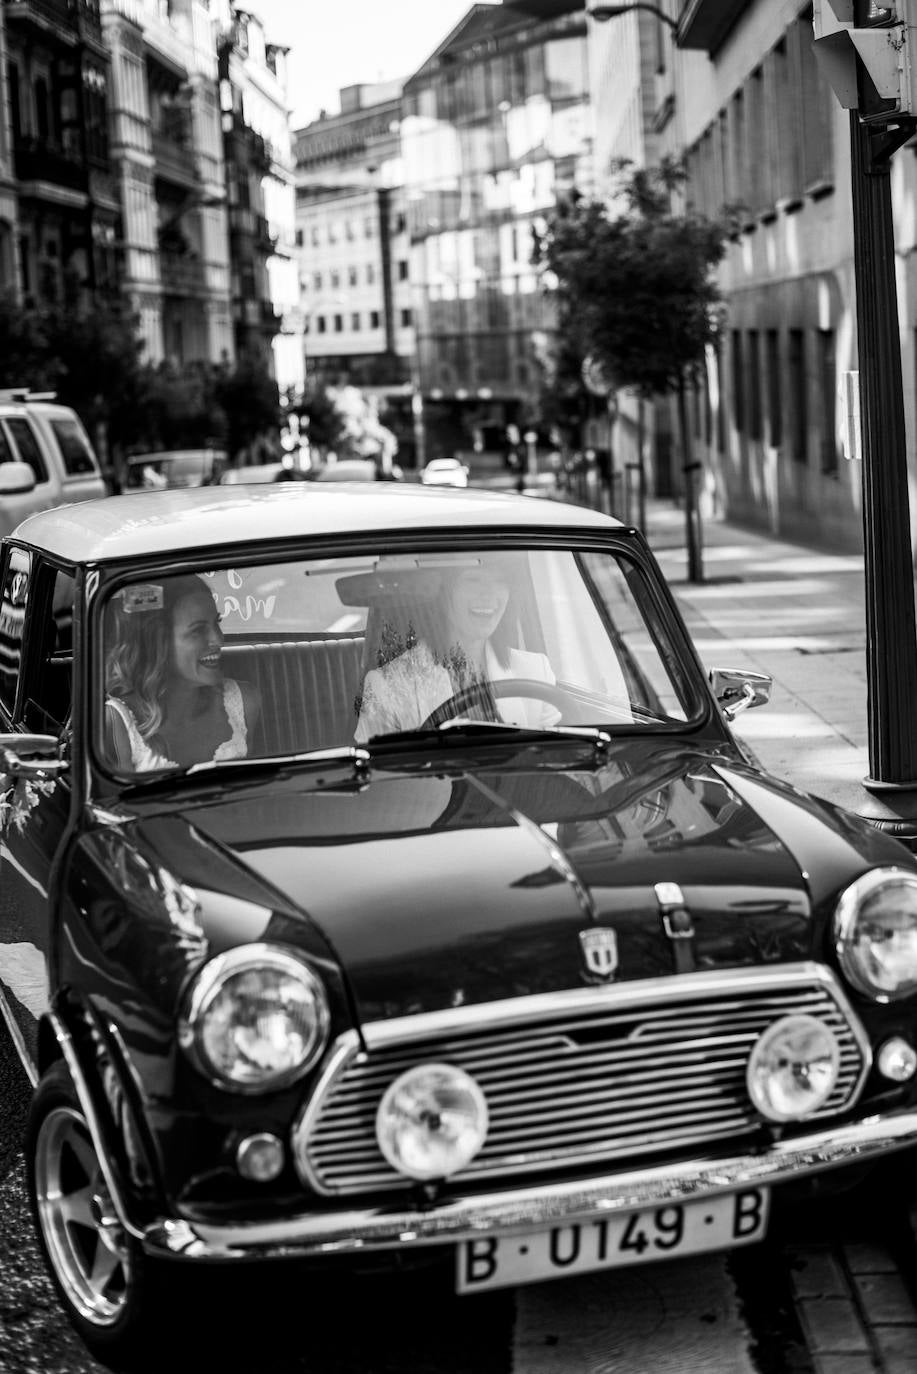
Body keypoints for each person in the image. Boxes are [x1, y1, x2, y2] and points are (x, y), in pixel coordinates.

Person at [354, 558, 560, 742]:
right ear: (442, 593)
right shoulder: (386, 686)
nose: (489, 594)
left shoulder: (536, 672)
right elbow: (384, 780)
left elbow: (557, 763)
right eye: (473, 580)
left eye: (500, 581)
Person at [104, 574, 261, 772]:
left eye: (217, 623)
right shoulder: (116, 722)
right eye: (198, 630)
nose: (218, 640)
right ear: (159, 643)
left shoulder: (244, 702)